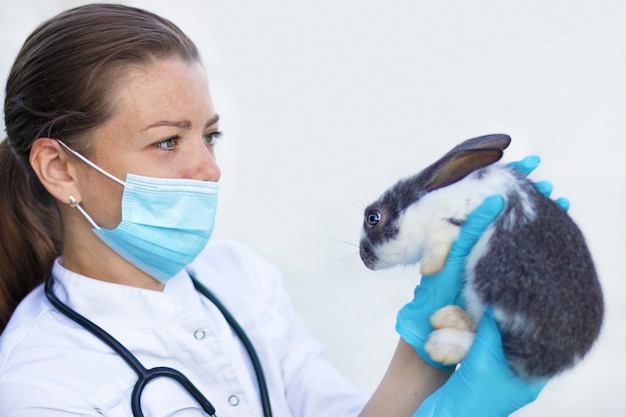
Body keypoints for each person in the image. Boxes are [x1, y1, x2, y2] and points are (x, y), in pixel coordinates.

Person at [0, 3, 559, 416]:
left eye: (210, 136)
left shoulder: (241, 281)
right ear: (60, 169)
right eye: (168, 141)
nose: (209, 169)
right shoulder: (40, 385)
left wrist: (425, 354)